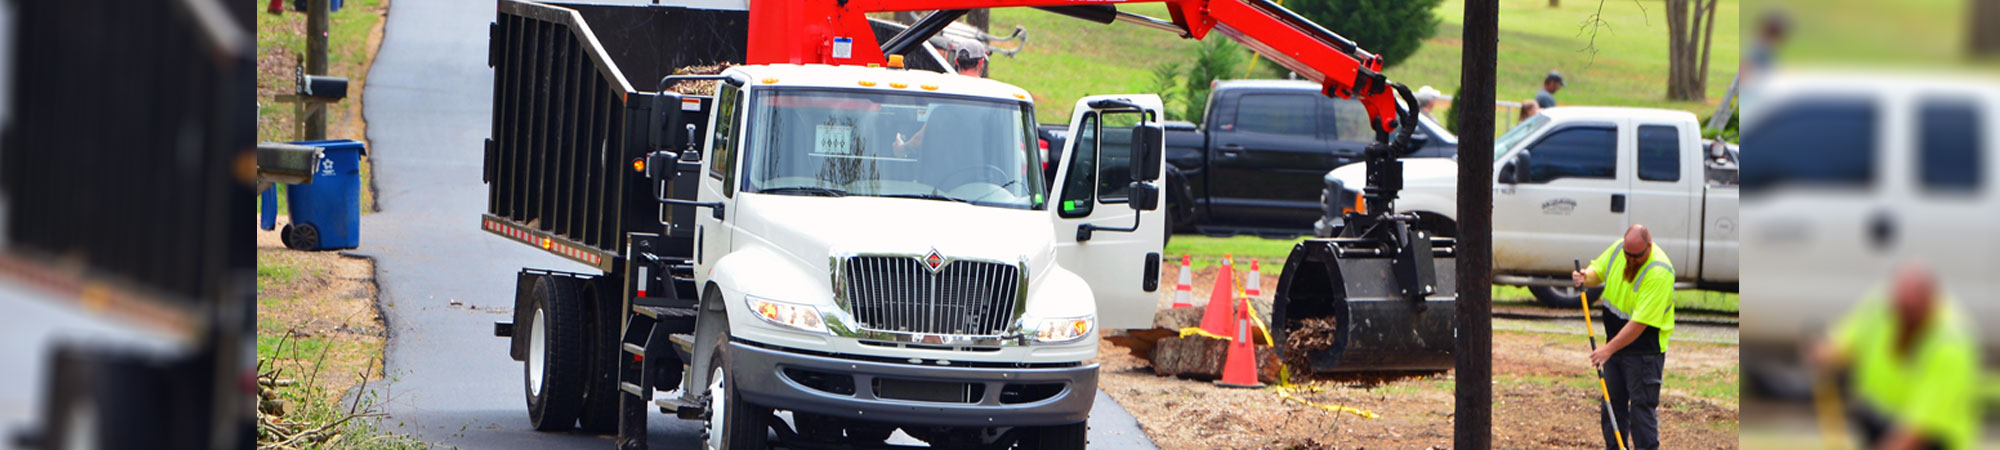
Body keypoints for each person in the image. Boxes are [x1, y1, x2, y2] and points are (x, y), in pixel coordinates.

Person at [1807, 262, 1980, 450]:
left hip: (1934, 439)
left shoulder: (1951, 344)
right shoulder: (1882, 305)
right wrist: (1822, 353)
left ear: (1931, 303)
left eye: (1913, 312)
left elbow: (1918, 433)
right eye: (1900, 309)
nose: (1903, 320)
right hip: (1881, 418)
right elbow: (1843, 346)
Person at [1570, 224, 1675, 450]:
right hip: (1616, 349)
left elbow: (1639, 324)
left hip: (1644, 353)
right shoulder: (1619, 250)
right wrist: (1585, 276)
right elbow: (1598, 270)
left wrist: (1607, 350)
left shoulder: (1658, 271)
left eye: (1636, 256)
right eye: (1628, 254)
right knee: (1611, 405)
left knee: (1641, 409)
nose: (1630, 259)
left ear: (1649, 247)